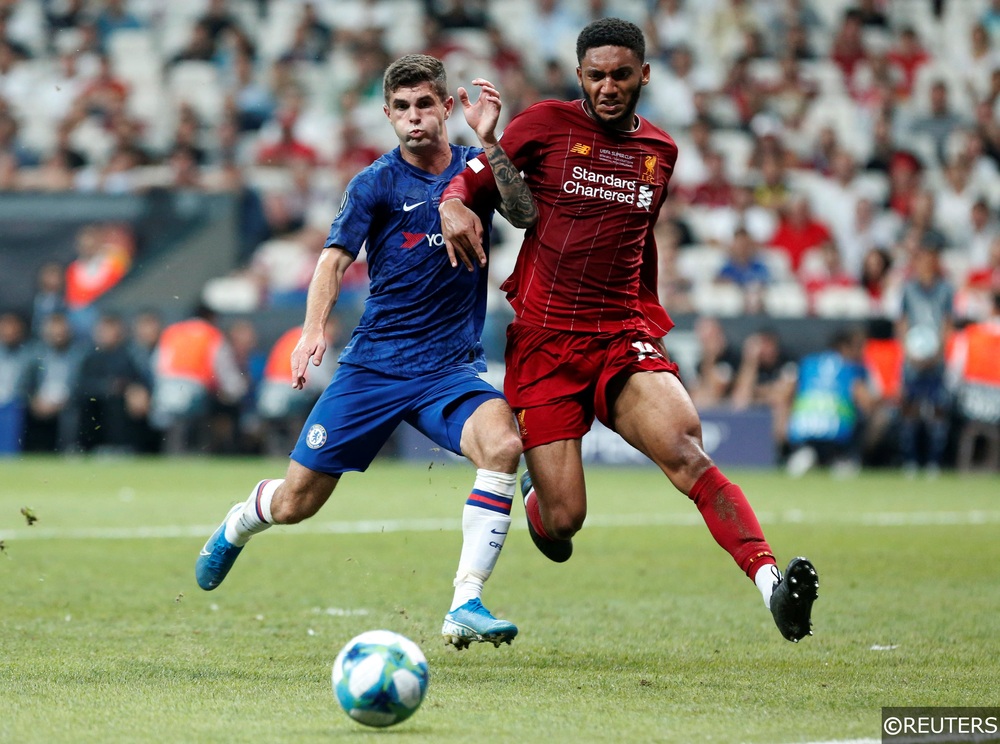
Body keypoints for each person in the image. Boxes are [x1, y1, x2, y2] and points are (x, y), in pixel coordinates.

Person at [440, 18, 818, 642]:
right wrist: (456, 198)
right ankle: (542, 502)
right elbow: (483, 186)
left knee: (687, 452)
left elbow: (635, 242)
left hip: (620, 335)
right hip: (545, 342)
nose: (608, 87)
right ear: (580, 76)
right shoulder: (543, 125)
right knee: (564, 521)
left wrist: (646, 317)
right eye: (596, 75)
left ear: (644, 74)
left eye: (621, 75)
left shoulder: (661, 153)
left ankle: (771, 584)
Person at [195, 54, 537, 649]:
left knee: (504, 444)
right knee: (298, 502)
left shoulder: (476, 167)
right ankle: (241, 519)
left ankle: (466, 603)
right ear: (386, 114)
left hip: (448, 370)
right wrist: (312, 330)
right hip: (374, 366)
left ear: (447, 107)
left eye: (425, 105)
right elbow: (332, 259)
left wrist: (492, 140)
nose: (414, 118)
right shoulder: (375, 182)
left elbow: (526, 213)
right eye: (401, 108)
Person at [784, 327, 878, 478]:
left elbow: (786, 393)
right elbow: (866, 401)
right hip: (838, 435)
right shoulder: (852, 367)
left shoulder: (807, 363)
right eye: (859, 347)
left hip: (802, 430)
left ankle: (803, 454)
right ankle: (846, 458)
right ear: (844, 347)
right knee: (873, 414)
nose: (862, 352)